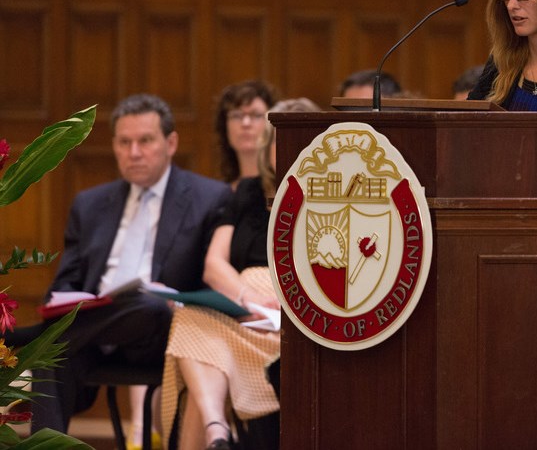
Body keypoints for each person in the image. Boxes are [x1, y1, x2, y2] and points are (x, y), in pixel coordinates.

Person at [25, 94, 232, 436]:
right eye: (124, 142)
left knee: (145, 302)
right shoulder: (89, 204)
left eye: (145, 141)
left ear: (171, 142)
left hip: (164, 334)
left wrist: (175, 301)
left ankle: (29, 338)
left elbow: (213, 286)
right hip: (93, 338)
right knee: (53, 352)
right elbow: (63, 287)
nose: (134, 152)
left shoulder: (209, 198)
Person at [161, 98, 320, 450]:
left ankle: (216, 430)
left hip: (292, 317)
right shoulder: (249, 192)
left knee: (198, 348)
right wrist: (248, 299)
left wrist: (282, 302)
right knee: (193, 318)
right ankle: (217, 430)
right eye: (282, 138)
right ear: (268, 146)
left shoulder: (333, 199)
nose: (290, 147)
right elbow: (214, 265)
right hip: (244, 311)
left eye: (303, 139)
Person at [214, 80, 277, 189]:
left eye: (256, 115)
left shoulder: (288, 191)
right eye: (236, 116)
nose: (245, 123)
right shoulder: (218, 195)